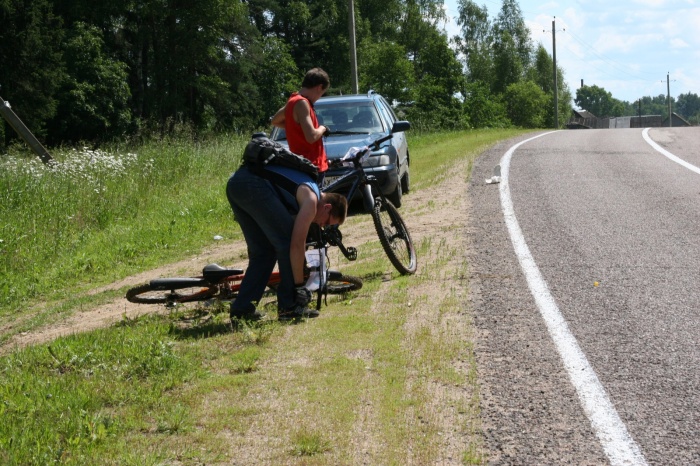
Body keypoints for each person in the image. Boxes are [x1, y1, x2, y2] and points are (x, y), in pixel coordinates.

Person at [226, 159, 348, 322]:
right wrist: (299, 287)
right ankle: (289, 307)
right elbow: (296, 246)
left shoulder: (310, 190)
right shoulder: (311, 201)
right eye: (326, 222)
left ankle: (242, 309)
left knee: (263, 252)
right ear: (327, 207)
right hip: (253, 185)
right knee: (286, 243)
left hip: (236, 183)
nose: (321, 226)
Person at [271, 67, 330, 184]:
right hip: (311, 165)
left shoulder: (293, 101)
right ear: (319, 87)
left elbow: (275, 121)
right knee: (316, 201)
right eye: (322, 93)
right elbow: (311, 137)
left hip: (301, 164)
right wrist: (323, 128)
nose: (319, 98)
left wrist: (296, 127)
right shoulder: (302, 103)